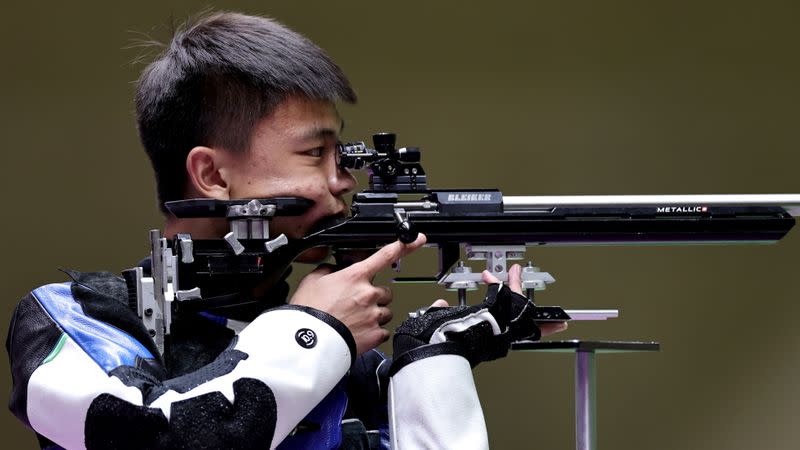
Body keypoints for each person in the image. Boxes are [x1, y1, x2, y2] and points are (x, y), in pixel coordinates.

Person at [6, 12, 566, 449]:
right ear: (212, 175)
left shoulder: (344, 352)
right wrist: (314, 329)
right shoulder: (73, 318)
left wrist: (431, 361)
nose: (342, 182)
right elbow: (153, 436)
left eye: (340, 155)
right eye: (315, 153)